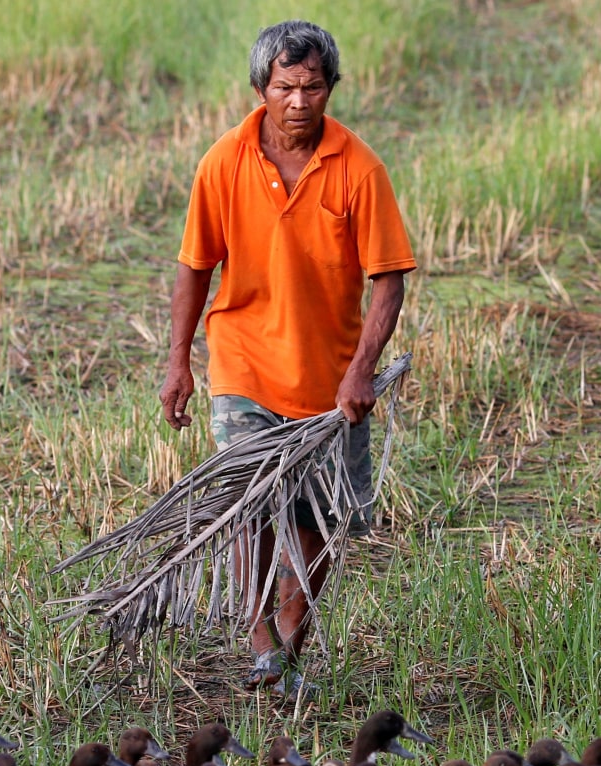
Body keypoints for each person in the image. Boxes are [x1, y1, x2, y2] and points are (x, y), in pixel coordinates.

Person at [160, 20, 416, 697]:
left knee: (318, 519)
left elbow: (388, 279)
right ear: (260, 89)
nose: (299, 102)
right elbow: (194, 266)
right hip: (243, 362)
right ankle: (260, 641)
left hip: (329, 381)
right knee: (248, 507)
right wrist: (178, 362)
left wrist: (361, 370)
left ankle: (290, 637)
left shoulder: (359, 168)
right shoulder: (224, 160)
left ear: (330, 89)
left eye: (313, 88)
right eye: (285, 87)